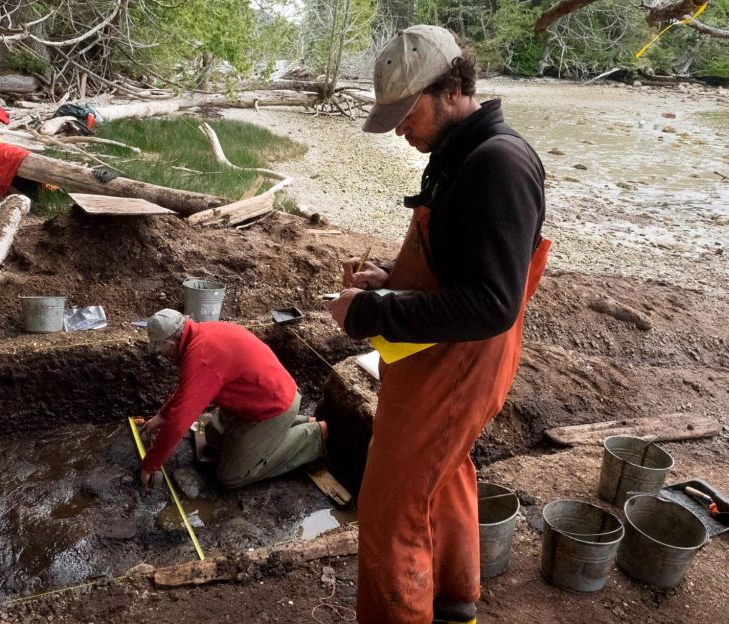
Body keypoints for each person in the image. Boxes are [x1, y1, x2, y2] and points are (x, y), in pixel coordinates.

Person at [327, 25, 550, 624]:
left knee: (390, 509)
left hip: (462, 362)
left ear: (451, 88)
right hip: (441, 354)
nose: (400, 128)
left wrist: (370, 313)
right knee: (444, 475)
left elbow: (490, 303)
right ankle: (455, 602)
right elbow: (456, 272)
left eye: (406, 113)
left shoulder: (499, 164)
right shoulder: (460, 156)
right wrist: (390, 283)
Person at [135, 309, 326, 489]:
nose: (165, 356)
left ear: (170, 344)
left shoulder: (200, 358)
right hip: (260, 396)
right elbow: (188, 391)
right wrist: (161, 416)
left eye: (162, 350)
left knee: (232, 475)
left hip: (272, 407)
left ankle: (313, 435)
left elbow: (179, 422)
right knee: (213, 438)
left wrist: (151, 464)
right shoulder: (202, 332)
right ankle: (293, 423)